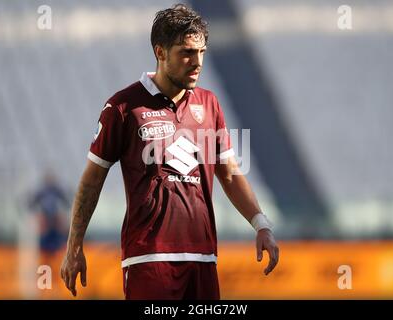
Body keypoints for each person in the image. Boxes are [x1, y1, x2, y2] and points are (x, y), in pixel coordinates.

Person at [60, 3, 279, 300]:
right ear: (160, 52)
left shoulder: (209, 104)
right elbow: (92, 179)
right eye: (186, 53)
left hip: (202, 257)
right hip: (149, 259)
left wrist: (261, 224)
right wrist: (74, 247)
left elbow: (228, 174)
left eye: (201, 52)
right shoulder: (124, 107)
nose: (197, 62)